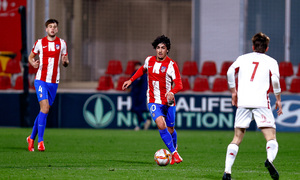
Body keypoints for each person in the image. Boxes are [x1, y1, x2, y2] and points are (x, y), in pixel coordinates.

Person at [222, 32, 282, 180]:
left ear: (253, 46)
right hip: (261, 101)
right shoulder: (271, 61)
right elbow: (275, 81)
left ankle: (227, 172)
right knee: (271, 137)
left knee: (237, 138)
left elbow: (230, 72)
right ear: (267, 48)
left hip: (243, 101)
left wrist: (233, 92)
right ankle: (270, 160)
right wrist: (278, 99)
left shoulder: (243, 58)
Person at [122, 35, 183, 165]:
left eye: (163, 48)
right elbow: (142, 70)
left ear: (167, 50)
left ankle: (174, 147)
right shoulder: (149, 60)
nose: (160, 50)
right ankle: (175, 154)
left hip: (168, 101)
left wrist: (172, 92)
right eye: (158, 48)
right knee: (161, 125)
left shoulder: (172, 65)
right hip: (153, 100)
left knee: (171, 129)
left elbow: (179, 84)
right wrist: (130, 80)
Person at [26, 19, 69, 152]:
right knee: (45, 108)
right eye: (50, 27)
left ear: (57, 29)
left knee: (43, 111)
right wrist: (33, 63)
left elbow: (65, 62)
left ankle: (31, 138)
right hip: (41, 80)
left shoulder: (62, 43)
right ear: (46, 29)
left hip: (54, 82)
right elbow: (30, 57)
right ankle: (41, 142)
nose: (52, 29)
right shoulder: (40, 43)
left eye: (54, 27)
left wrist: (65, 62)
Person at [130, 62, 151, 131]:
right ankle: (141, 123)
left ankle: (143, 122)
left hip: (140, 94)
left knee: (137, 109)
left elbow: (135, 82)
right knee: (136, 109)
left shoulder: (142, 74)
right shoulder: (135, 73)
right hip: (135, 94)